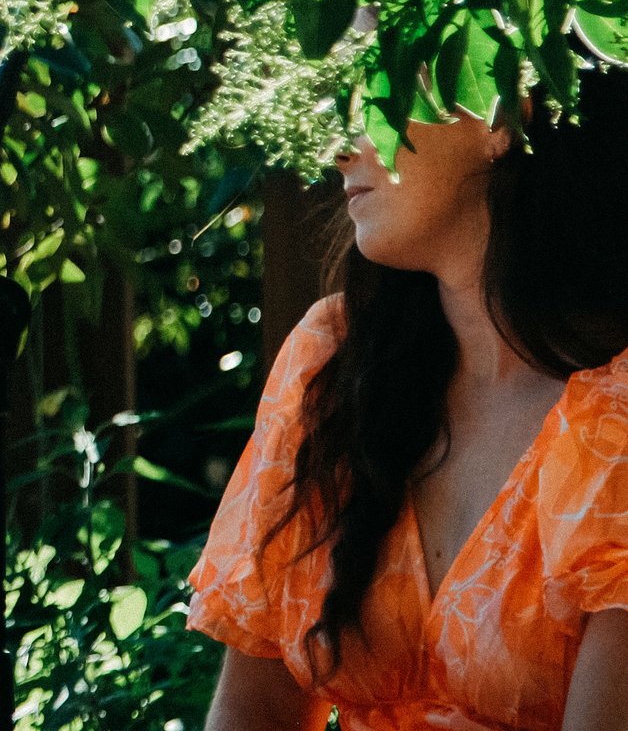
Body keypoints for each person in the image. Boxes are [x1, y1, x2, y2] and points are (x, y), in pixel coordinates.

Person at [190, 69, 628, 730]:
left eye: (375, 88)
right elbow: (255, 712)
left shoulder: (616, 422)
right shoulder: (334, 367)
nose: (339, 147)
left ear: (500, 111)